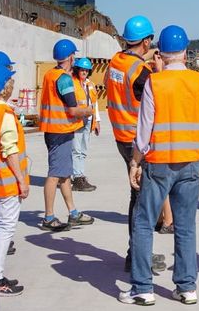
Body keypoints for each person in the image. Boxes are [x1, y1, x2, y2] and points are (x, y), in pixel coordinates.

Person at [120, 25, 199, 306]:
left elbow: (144, 130)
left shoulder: (155, 82)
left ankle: (143, 288)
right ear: (186, 52)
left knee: (142, 223)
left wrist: (135, 162)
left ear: (161, 54)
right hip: (190, 163)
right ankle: (187, 287)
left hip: (159, 164)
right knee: (186, 226)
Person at [106, 15, 167, 273]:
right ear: (145, 41)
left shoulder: (116, 62)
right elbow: (158, 101)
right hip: (137, 141)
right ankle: (139, 257)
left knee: (137, 197)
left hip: (121, 135)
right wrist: (159, 72)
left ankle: (137, 253)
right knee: (143, 201)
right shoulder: (141, 72)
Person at [38, 38, 96, 232]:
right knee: (55, 174)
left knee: (64, 175)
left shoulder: (49, 75)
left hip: (53, 130)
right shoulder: (64, 79)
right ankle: (48, 217)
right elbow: (72, 110)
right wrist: (88, 111)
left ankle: (73, 212)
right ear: (71, 57)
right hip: (60, 132)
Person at [0, 63, 29, 297]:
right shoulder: (6, 115)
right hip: (6, 181)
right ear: (4, 88)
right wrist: (21, 180)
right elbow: (10, 150)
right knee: (5, 228)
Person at [70, 57, 100, 193]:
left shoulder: (90, 84)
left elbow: (95, 104)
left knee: (83, 149)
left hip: (88, 120)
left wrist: (97, 120)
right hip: (77, 120)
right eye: (82, 70)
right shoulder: (72, 83)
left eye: (86, 70)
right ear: (77, 70)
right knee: (76, 149)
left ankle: (80, 174)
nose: (84, 72)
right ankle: (77, 177)